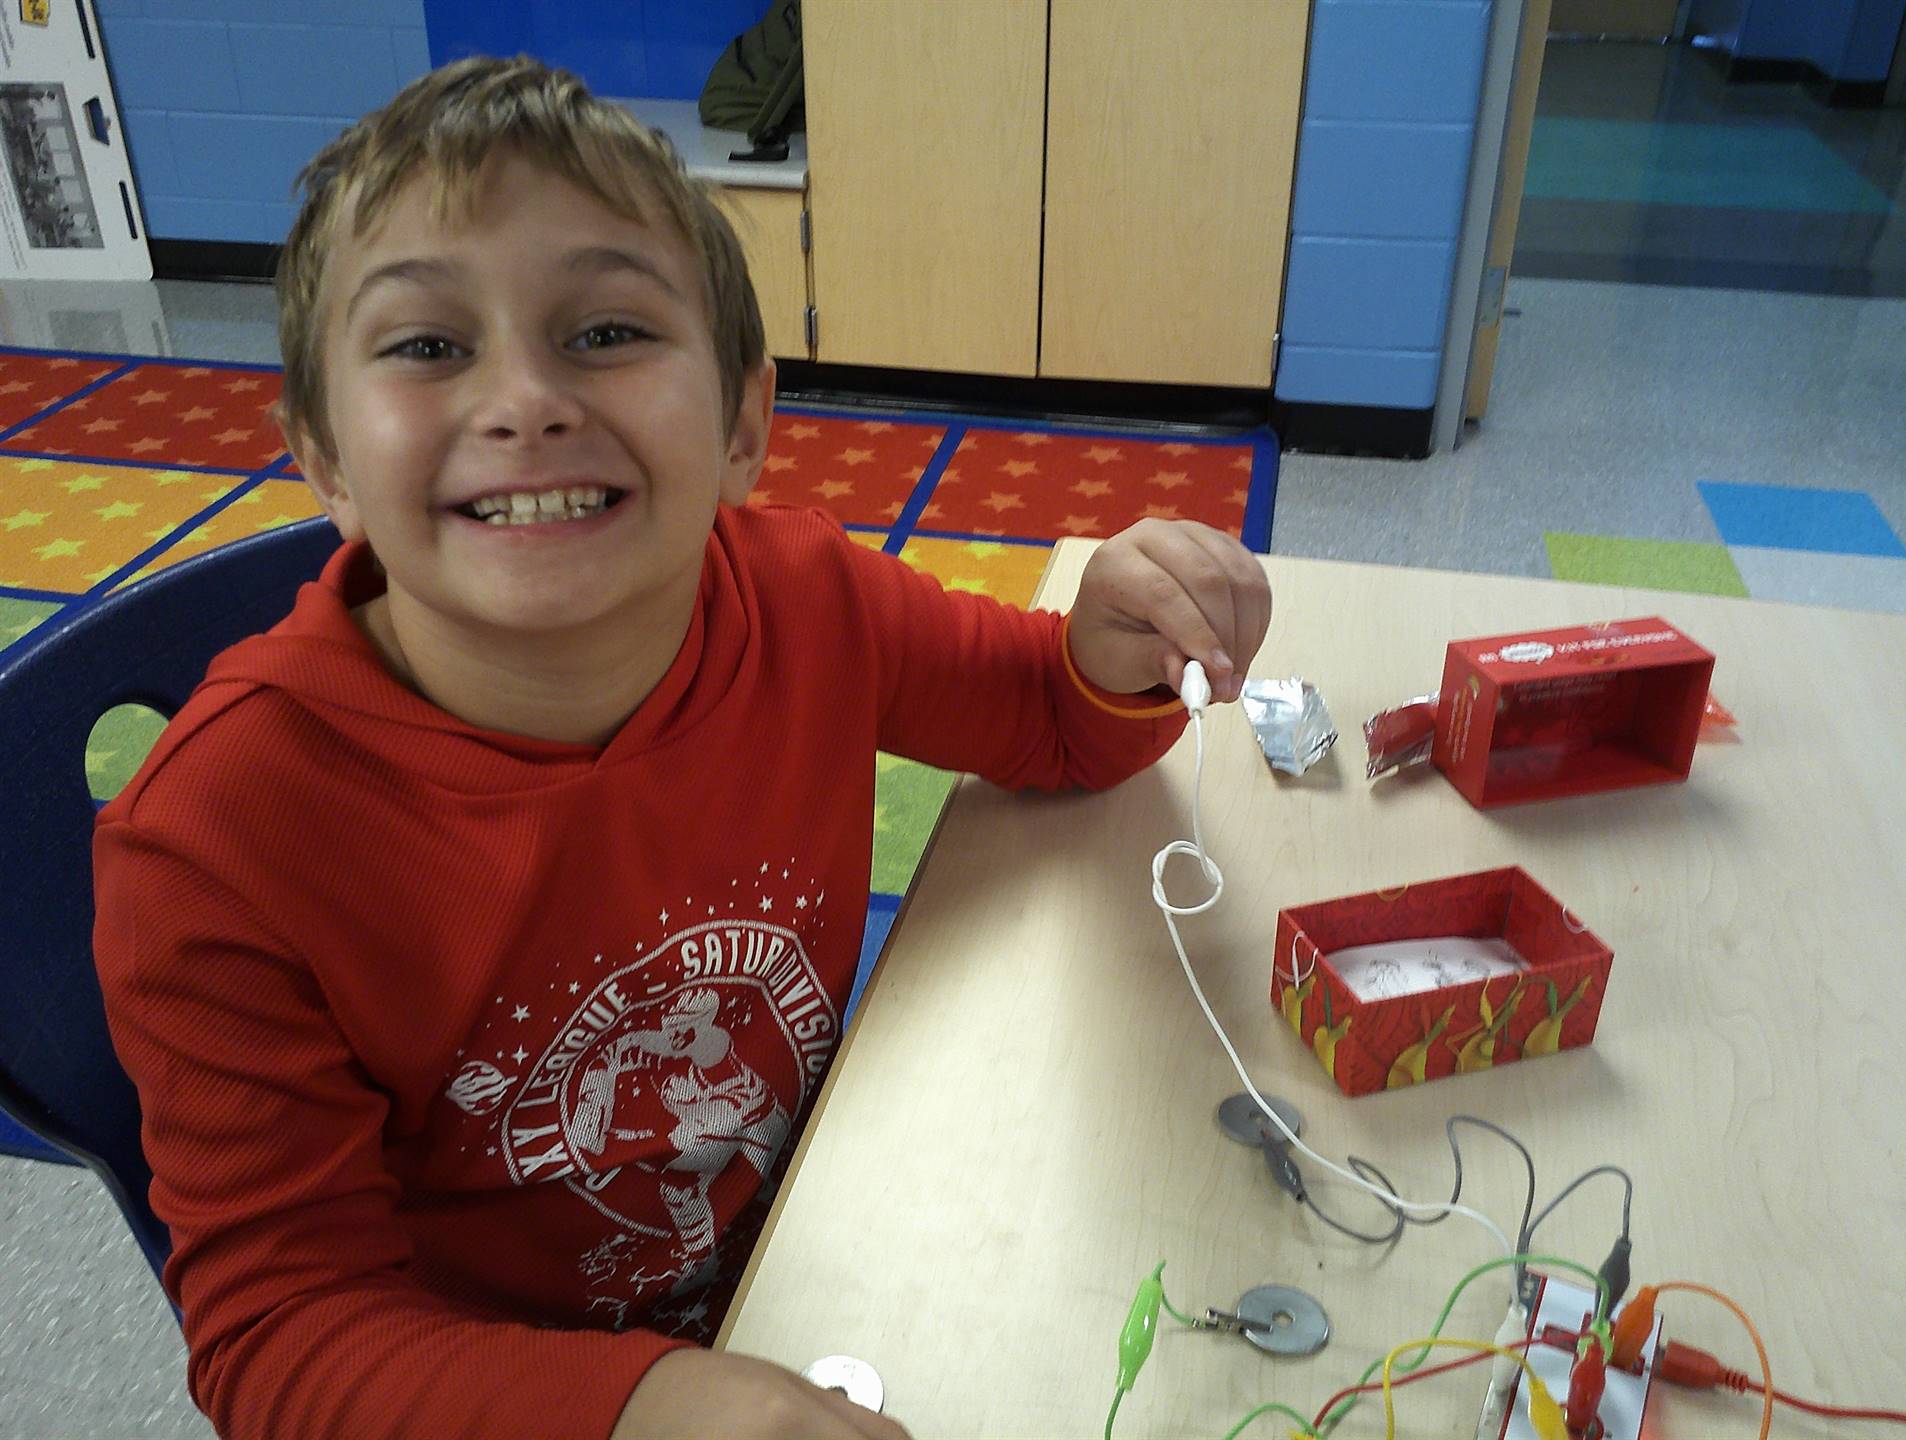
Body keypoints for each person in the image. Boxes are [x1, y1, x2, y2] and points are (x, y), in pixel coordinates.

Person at [91, 56, 1271, 1440]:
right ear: (325, 457)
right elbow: (285, 1345)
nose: (524, 400)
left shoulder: (809, 600)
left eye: (605, 333)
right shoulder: (221, 837)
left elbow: (1040, 711)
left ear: (744, 424)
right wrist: (660, 1406)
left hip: (798, 1245)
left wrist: (1112, 643)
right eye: (425, 346)